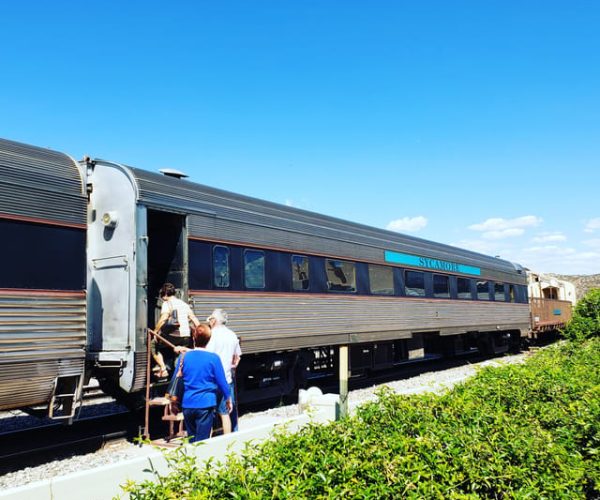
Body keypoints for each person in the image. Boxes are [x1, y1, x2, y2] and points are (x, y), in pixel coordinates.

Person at [172, 324, 232, 442]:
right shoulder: (213, 358)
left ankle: (192, 460)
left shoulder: (183, 357)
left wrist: (173, 402)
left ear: (193, 338)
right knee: (203, 442)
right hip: (205, 404)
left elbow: (175, 380)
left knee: (192, 439)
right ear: (209, 340)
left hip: (188, 405)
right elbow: (222, 382)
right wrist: (228, 398)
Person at [151, 283, 201, 378]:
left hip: (174, 336)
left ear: (165, 294)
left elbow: (163, 318)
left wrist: (155, 332)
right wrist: (200, 332)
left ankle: (163, 368)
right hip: (186, 337)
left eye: (162, 294)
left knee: (153, 344)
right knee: (179, 353)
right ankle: (177, 371)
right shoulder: (184, 304)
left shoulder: (167, 303)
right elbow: (194, 319)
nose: (162, 298)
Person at [206, 308, 242, 433]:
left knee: (208, 413)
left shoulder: (211, 335)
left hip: (212, 380)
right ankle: (229, 441)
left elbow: (207, 356)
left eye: (210, 318)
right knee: (225, 413)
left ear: (214, 320)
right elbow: (237, 358)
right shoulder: (232, 334)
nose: (209, 321)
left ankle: (206, 442)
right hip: (227, 379)